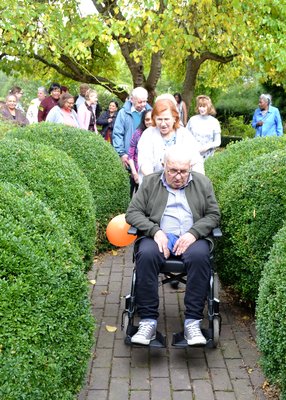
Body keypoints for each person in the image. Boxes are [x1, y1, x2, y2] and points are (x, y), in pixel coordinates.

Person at [125, 145, 220, 346]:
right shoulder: (150, 182)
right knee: (147, 255)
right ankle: (148, 322)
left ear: (190, 168)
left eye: (183, 171)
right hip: (158, 236)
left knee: (200, 257)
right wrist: (155, 231)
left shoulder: (202, 183)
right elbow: (132, 213)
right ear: (163, 166)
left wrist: (193, 233)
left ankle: (193, 322)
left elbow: (213, 215)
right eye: (173, 171)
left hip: (191, 237)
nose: (178, 176)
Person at [137, 99, 204, 185]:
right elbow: (145, 162)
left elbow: (196, 161)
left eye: (166, 119)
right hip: (154, 184)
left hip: (182, 185)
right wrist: (156, 183)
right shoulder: (148, 134)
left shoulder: (185, 134)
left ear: (175, 118)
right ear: (154, 119)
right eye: (159, 119)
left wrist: (200, 184)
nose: (163, 124)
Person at [113, 87, 152, 195]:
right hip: (129, 157)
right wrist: (121, 153)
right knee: (129, 190)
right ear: (132, 99)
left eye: (145, 101)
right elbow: (117, 134)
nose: (143, 104)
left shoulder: (151, 113)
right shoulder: (123, 113)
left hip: (146, 159)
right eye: (140, 102)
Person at [186, 95, 221, 160]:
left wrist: (206, 146)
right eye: (200, 106)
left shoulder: (214, 122)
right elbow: (185, 136)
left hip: (208, 159)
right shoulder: (192, 120)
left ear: (209, 107)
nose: (201, 109)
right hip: (192, 157)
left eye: (204, 106)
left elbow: (218, 141)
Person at [128, 110, 152, 187]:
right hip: (137, 172)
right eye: (147, 119)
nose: (150, 122)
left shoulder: (159, 134)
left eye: (152, 119)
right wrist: (134, 173)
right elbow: (131, 155)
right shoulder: (138, 133)